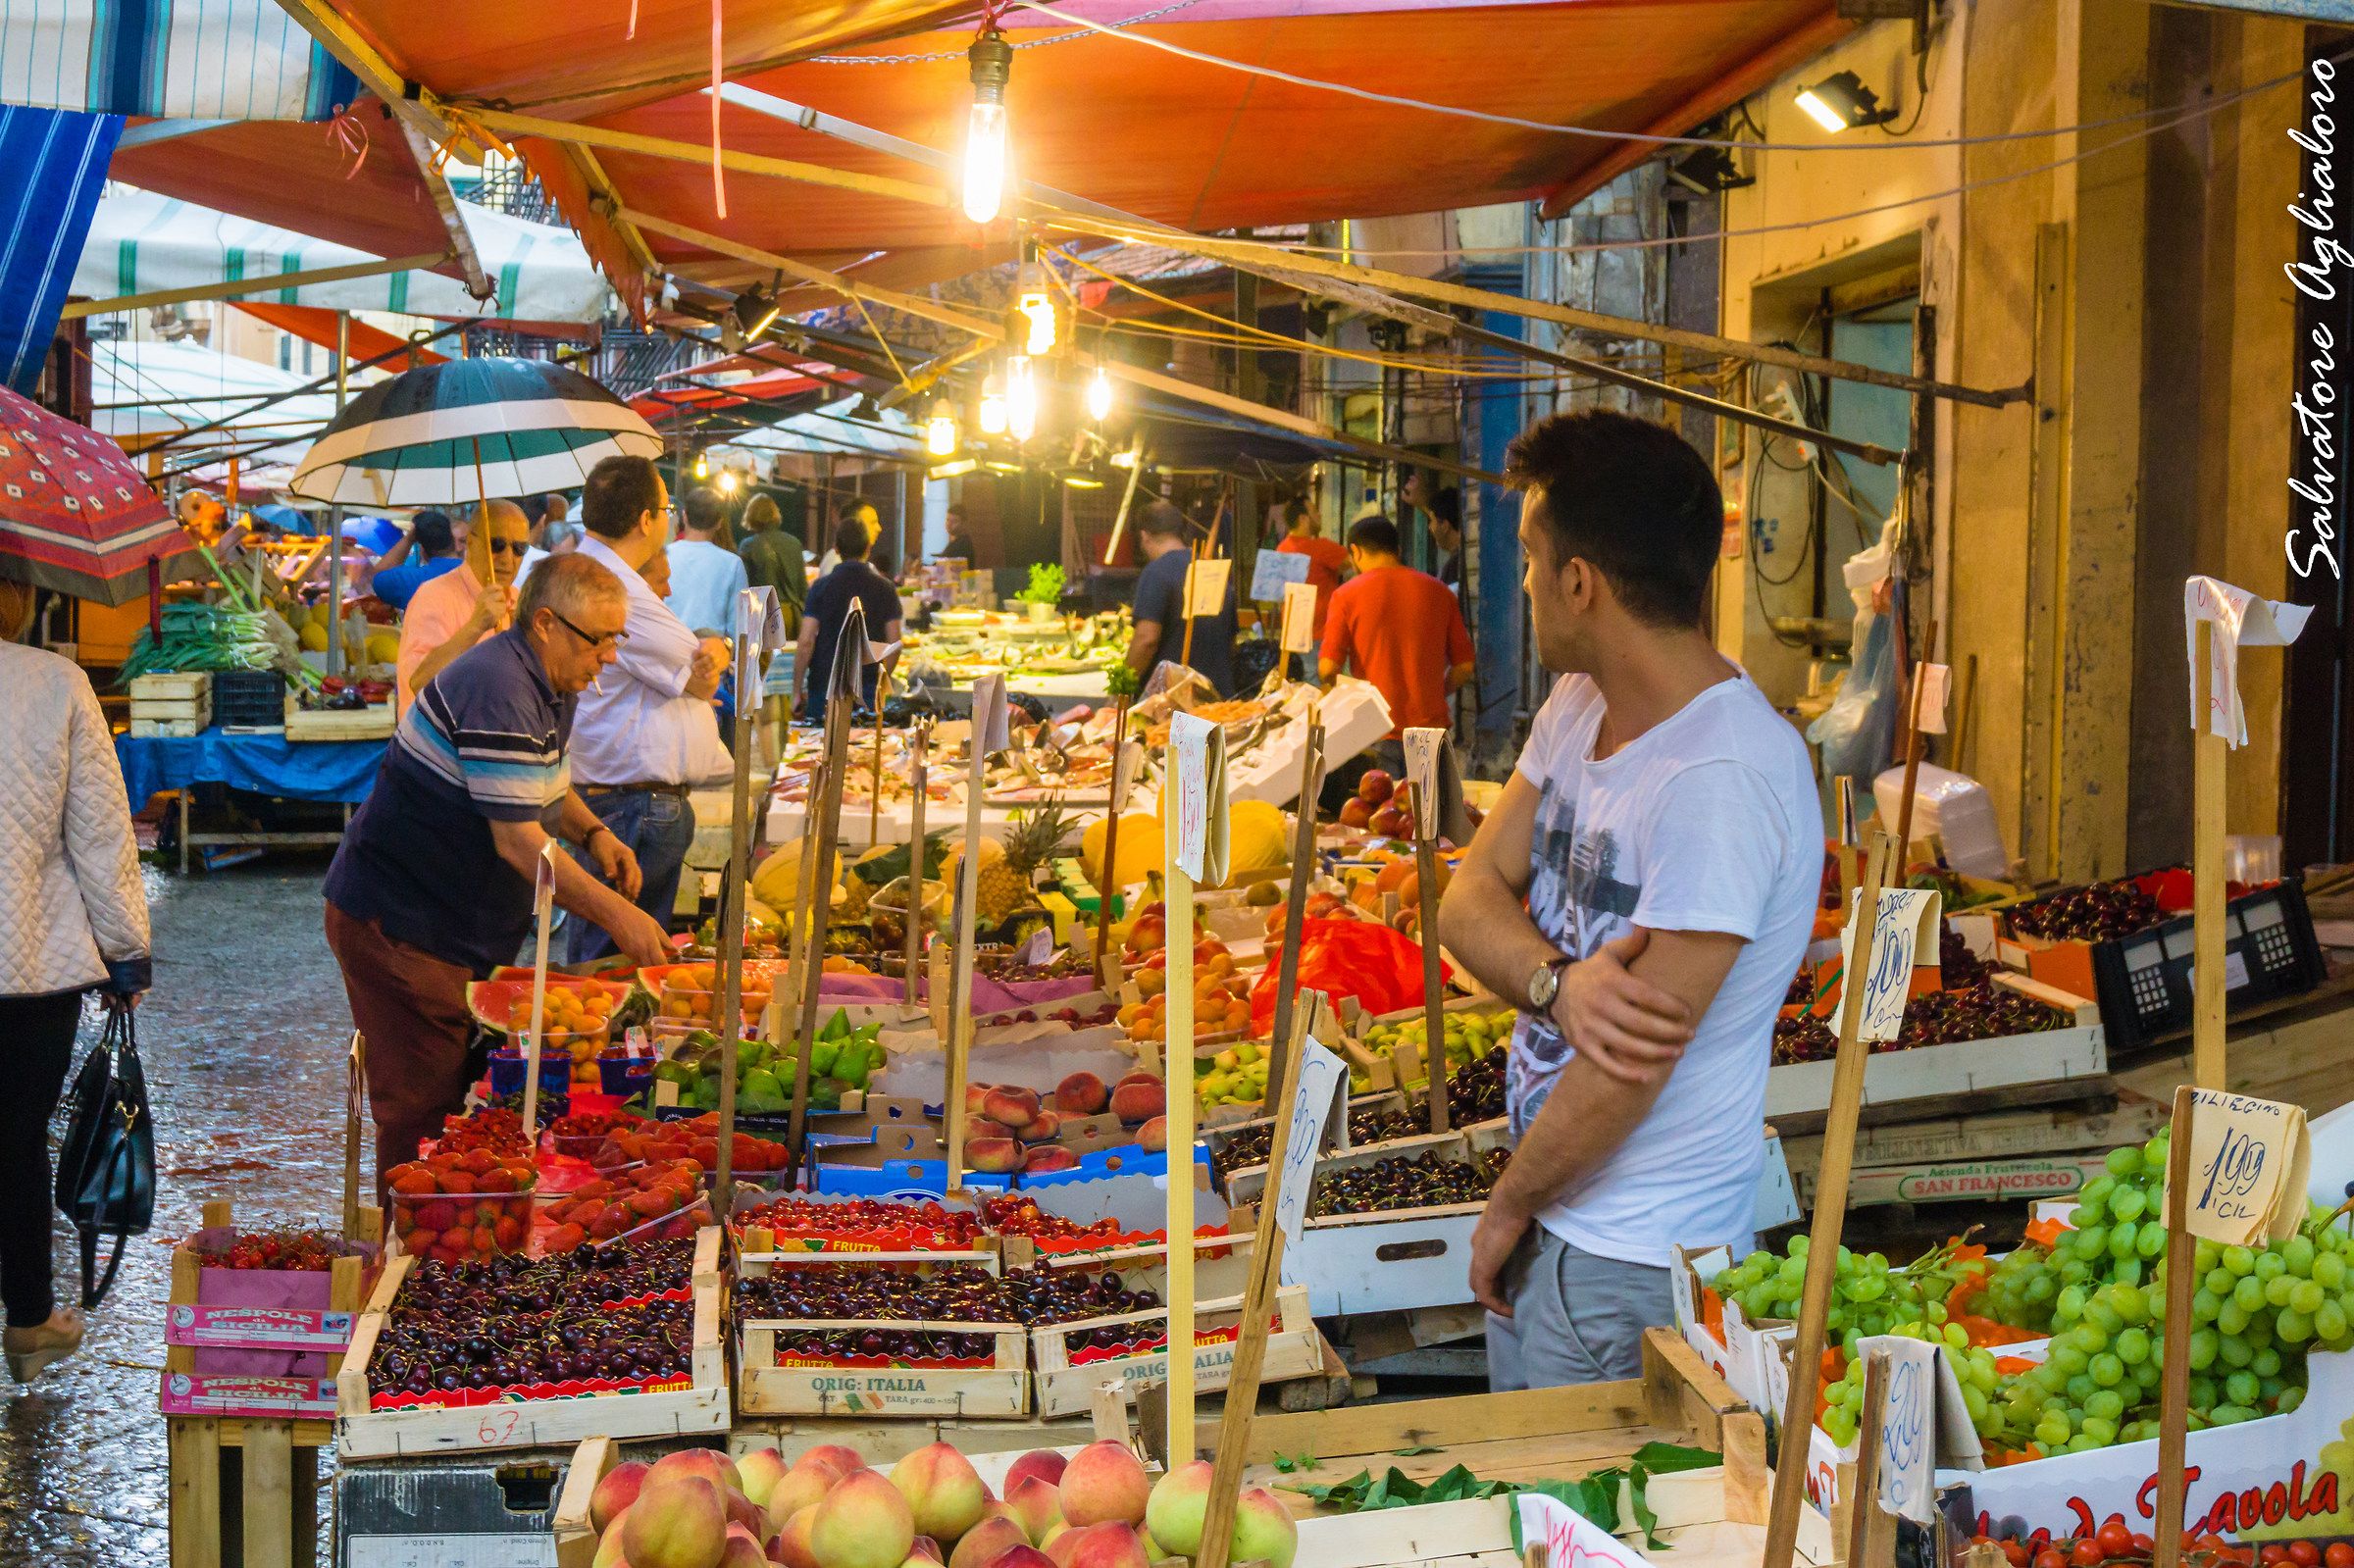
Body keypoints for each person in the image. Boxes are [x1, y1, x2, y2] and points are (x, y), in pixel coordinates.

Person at [1433, 409, 1818, 1391]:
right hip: (1564, 1230)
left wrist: (1509, 1206)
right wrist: (1557, 987)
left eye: (1529, 559)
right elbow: (1467, 897)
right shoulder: (1580, 706)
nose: (1521, 583)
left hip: (1630, 1260)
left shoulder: (1720, 777)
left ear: (1579, 582)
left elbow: (1630, 1070)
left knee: (1599, 1538)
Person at [324, 552, 671, 1199]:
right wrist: (617, 914)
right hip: (399, 924)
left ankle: (440, 1237)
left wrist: (594, 832)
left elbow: (542, 786)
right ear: (546, 623)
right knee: (420, 1108)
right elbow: (518, 841)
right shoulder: (498, 686)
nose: (611, 657)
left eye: (617, 638)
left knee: (449, 1102)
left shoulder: (552, 685)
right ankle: (410, 1252)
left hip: (448, 926)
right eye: (602, 639)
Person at [0, 579, 149, 1383]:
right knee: (15, 1142)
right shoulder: (56, 684)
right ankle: (27, 1320)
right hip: (28, 967)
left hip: (31, 967)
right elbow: (99, 830)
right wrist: (125, 951)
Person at [562, 456, 733, 965]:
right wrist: (719, 648)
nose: (669, 518)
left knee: (613, 956)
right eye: (666, 507)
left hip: (617, 801)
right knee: (616, 964)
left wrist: (712, 656)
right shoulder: (616, 587)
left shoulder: (602, 574)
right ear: (645, 520)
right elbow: (699, 674)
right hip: (629, 807)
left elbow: (698, 673)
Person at [1319, 513, 1473, 753]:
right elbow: (1464, 666)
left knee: (1380, 791)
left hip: (1375, 732)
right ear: (1398, 552)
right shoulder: (1440, 592)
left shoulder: (1346, 596)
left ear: (1356, 552)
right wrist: (1435, 691)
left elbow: (1328, 669)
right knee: (1428, 792)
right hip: (1433, 735)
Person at [394, 499, 532, 713]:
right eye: (497, 545)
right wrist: (475, 626)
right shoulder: (433, 596)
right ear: (470, 542)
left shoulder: (519, 600)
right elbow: (419, 681)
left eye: (519, 548)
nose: (507, 558)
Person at [1126, 500, 1237, 697]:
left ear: (1144, 536)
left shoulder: (1155, 573)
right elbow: (1231, 642)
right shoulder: (1212, 570)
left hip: (1175, 702)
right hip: (1220, 697)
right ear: (1181, 533)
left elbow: (1146, 640)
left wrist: (1123, 684)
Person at [796, 517, 903, 718]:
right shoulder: (885, 588)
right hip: (868, 687)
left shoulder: (820, 587)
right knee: (867, 748)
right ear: (868, 547)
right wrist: (882, 681)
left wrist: (796, 693)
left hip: (825, 686)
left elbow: (805, 641)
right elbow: (895, 642)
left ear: (836, 548)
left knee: (822, 747)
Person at [1275, 499, 1349, 677]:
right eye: (1315, 511)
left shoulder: (1281, 549)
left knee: (1301, 686)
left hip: (1292, 633)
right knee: (1318, 689)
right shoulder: (1320, 547)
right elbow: (1356, 561)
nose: (1319, 514)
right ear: (1303, 519)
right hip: (1318, 635)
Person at [666, 486, 751, 636]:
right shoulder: (733, 564)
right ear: (719, 523)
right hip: (711, 653)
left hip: (668, 646)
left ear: (684, 516)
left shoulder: (663, 556)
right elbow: (738, 625)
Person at [369, 510, 469, 611]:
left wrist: (409, 539)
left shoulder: (410, 580)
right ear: (452, 540)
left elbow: (377, 576)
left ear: (423, 550)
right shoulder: (477, 572)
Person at [737, 493, 807, 632]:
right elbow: (803, 588)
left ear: (751, 515)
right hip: (792, 616)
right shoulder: (794, 543)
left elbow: (743, 588)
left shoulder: (748, 546)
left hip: (763, 616)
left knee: (766, 653)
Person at [815, 500, 879, 576]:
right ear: (851, 524)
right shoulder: (835, 560)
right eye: (872, 523)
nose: (878, 528)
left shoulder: (869, 567)